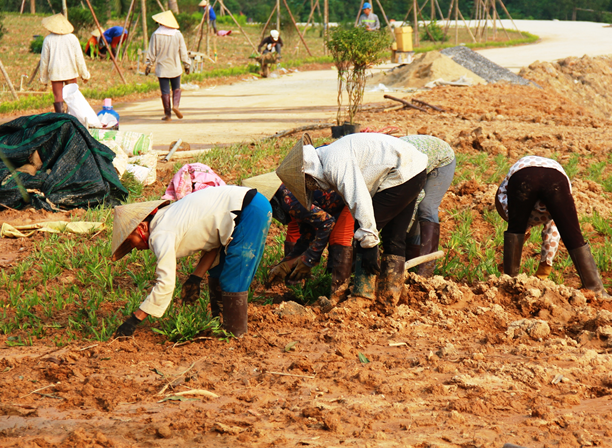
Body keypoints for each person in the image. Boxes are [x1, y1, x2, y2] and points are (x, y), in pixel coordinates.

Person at [276, 133, 427, 313]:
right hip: (413, 169)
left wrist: (369, 243)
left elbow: (359, 199)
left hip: (401, 172)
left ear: (307, 172)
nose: (312, 187)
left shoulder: (334, 164)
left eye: (307, 183)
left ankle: (362, 296)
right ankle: (389, 297)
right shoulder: (329, 157)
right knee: (394, 236)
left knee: (364, 231)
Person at [110, 186, 272, 338]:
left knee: (232, 279)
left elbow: (165, 283)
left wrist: (135, 319)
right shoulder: (167, 217)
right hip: (250, 205)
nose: (135, 248)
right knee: (217, 271)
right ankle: (221, 325)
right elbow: (213, 243)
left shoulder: (161, 233)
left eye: (131, 242)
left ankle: (235, 334)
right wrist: (196, 277)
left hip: (250, 210)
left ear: (141, 228)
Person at [495, 156, 610, 297]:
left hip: (522, 176)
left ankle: (509, 285)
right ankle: (596, 289)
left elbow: (512, 218)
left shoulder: (503, 193)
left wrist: (519, 228)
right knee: (573, 235)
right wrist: (544, 269)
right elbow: (553, 235)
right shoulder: (550, 212)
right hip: (556, 178)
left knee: (515, 228)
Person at [242, 172, 355, 303]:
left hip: (350, 197)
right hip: (341, 196)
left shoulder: (289, 200)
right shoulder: (287, 193)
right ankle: (328, 289)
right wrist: (286, 263)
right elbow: (308, 235)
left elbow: (327, 223)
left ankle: (338, 298)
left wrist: (310, 259)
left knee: (339, 238)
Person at [400, 135, 456, 277]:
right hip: (418, 159)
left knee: (426, 207)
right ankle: (411, 262)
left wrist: (401, 232)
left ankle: (427, 269)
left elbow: (415, 197)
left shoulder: (400, 169)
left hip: (441, 159)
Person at [144, 10, 192, 121]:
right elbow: (183, 51)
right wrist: (187, 65)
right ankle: (176, 106)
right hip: (175, 67)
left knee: (165, 91)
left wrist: (148, 65)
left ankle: (168, 114)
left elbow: (152, 52)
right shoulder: (177, 34)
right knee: (176, 88)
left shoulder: (156, 35)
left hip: (162, 69)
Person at [39, 13, 90, 114]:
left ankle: (61, 120)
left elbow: (44, 61)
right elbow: (79, 58)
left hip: (55, 71)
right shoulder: (72, 38)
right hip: (70, 70)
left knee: (58, 97)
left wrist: (43, 79)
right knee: (72, 97)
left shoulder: (48, 39)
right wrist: (84, 75)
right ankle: (72, 120)